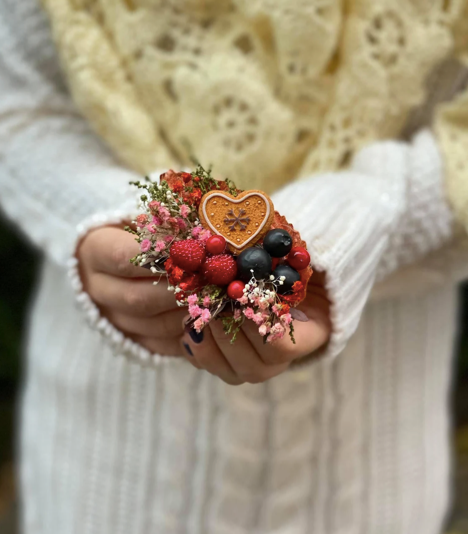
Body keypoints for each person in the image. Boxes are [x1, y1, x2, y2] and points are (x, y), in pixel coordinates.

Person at [1, 0, 468, 532]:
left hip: (370, 470)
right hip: (99, 460)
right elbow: (18, 103)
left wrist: (367, 215)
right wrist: (97, 217)